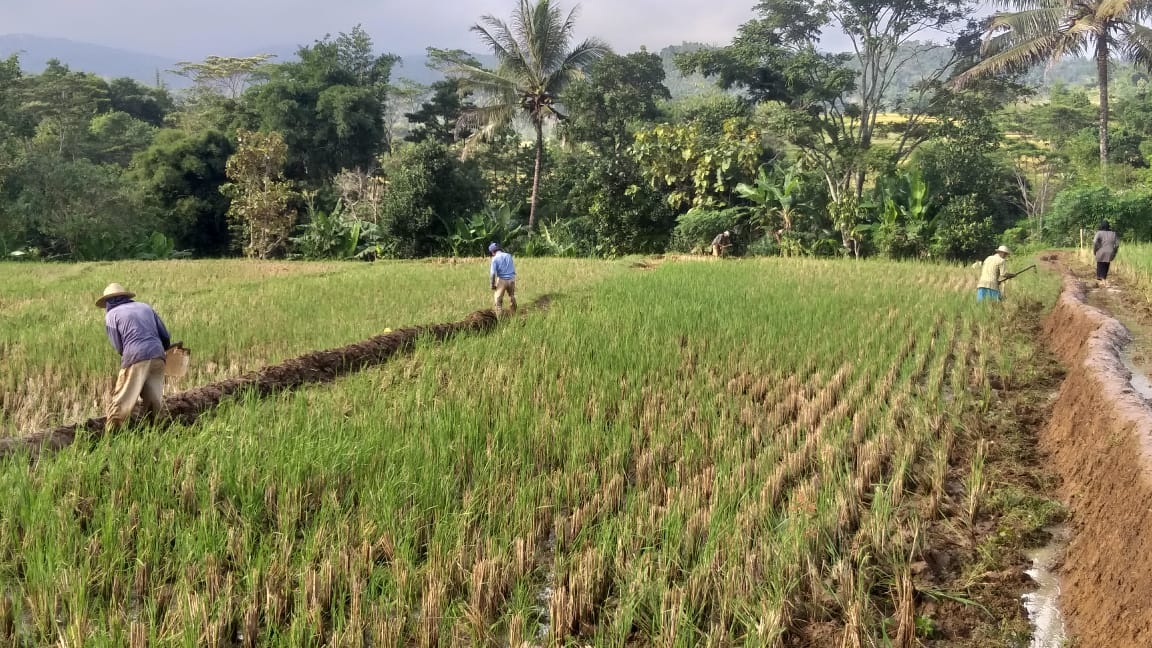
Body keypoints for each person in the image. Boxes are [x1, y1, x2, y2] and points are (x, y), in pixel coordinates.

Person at [97, 283, 173, 427]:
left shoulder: (112, 315)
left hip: (136, 355)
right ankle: (160, 428)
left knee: (122, 399)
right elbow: (165, 336)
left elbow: (118, 346)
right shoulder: (145, 307)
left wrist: (129, 359)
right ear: (125, 297)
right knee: (154, 399)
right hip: (158, 355)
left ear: (108, 302)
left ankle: (113, 433)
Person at [488, 242, 517, 316]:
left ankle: (500, 319)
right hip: (511, 279)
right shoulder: (509, 255)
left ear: (492, 252)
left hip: (502, 280)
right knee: (512, 296)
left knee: (498, 301)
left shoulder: (494, 259)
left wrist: (492, 285)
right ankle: (514, 314)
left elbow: (493, 273)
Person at [1093, 220, 1119, 285]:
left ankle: (1101, 279)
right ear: (1108, 226)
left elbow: (1095, 242)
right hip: (1110, 252)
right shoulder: (1113, 233)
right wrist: (1114, 251)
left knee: (1100, 264)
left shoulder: (1099, 233)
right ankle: (1103, 279)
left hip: (1100, 251)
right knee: (1106, 264)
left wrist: (1096, 249)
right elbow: (1117, 244)